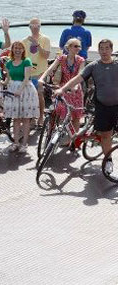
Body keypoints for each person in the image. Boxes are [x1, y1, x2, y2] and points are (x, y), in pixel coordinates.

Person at [55, 39, 116, 173]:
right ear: (98, 50)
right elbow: (77, 79)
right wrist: (63, 89)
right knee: (106, 136)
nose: (104, 51)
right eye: (101, 48)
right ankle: (108, 161)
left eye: (107, 48)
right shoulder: (93, 66)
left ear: (111, 50)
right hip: (103, 106)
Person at [40, 38, 85, 138]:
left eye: (79, 46)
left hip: (75, 91)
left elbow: (80, 74)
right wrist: (42, 78)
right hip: (63, 88)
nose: (78, 48)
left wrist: (75, 86)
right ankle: (57, 135)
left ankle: (73, 140)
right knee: (61, 114)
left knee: (76, 117)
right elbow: (50, 68)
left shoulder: (80, 60)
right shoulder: (61, 58)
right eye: (75, 46)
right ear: (68, 47)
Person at [2, 42, 40, 154]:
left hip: (25, 90)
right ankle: (16, 142)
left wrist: (19, 90)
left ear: (23, 50)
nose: (17, 50)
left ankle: (24, 144)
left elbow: (27, 78)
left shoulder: (26, 61)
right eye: (15, 48)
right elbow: (8, 78)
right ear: (12, 50)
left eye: (20, 48)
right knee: (16, 118)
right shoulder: (9, 63)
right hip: (13, 89)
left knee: (25, 118)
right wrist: (2, 83)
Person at [21, 18, 51, 125]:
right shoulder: (24, 41)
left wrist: (37, 44)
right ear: (29, 27)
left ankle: (41, 116)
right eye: (32, 26)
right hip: (28, 72)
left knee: (39, 94)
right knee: (28, 95)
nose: (35, 28)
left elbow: (46, 55)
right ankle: (31, 117)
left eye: (37, 26)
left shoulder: (45, 39)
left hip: (40, 72)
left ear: (40, 27)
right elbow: (21, 57)